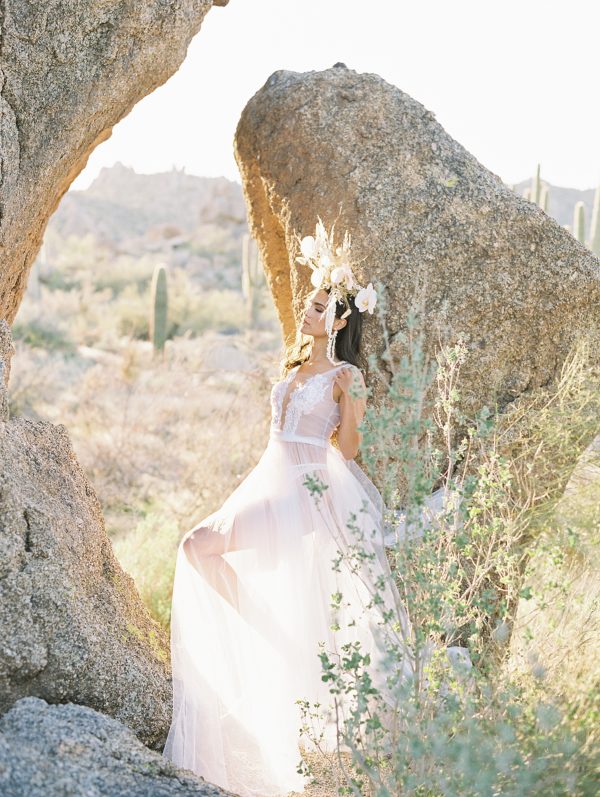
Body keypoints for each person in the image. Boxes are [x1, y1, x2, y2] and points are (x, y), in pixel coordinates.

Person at [162, 220, 415, 796]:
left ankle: (274, 637)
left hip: (304, 490)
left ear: (343, 319)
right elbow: (275, 437)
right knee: (198, 548)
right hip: (267, 479)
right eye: (311, 302)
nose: (309, 311)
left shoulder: (344, 376)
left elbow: (347, 451)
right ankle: (274, 636)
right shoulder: (297, 365)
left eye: (322, 306)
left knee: (198, 547)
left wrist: (352, 404)